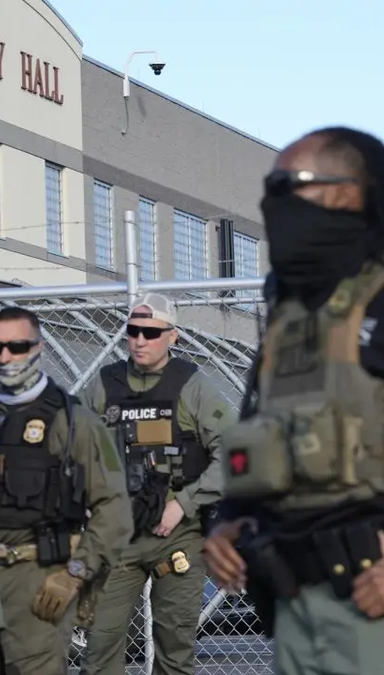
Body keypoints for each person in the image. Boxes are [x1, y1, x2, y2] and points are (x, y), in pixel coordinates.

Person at [203, 127, 384, 674]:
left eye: (290, 185)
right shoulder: (289, 313)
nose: (273, 202)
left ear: (350, 192)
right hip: (293, 599)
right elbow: (262, 437)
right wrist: (226, 526)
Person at [0, 306, 132, 675]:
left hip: (40, 578)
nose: (5, 357)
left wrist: (74, 573)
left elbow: (115, 508)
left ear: (38, 347)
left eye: (17, 346)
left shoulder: (73, 422)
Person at [78, 294, 232, 675]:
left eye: (151, 332)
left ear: (173, 337)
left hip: (176, 536)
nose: (140, 340)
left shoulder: (192, 386)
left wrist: (185, 503)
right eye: (133, 331)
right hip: (118, 535)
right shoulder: (103, 385)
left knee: (174, 652)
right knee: (100, 646)